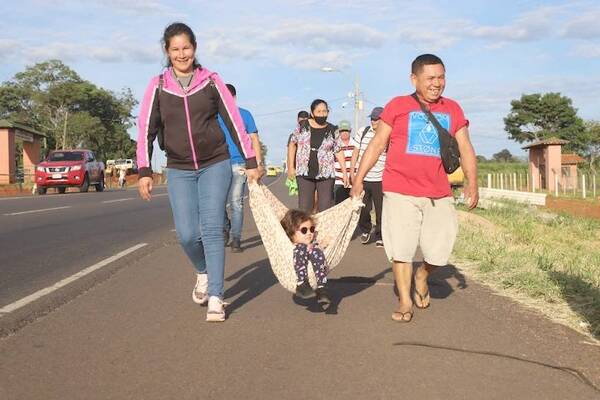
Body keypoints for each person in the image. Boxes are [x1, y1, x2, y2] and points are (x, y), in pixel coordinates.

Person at [136, 22, 260, 323]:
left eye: (186, 48)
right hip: (178, 167)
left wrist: (251, 160)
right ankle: (203, 272)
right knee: (188, 234)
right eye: (175, 49)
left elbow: (234, 121)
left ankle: (217, 295)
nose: (182, 54)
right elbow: (145, 130)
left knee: (212, 228)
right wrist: (144, 169)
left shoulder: (211, 81)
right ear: (167, 51)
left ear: (195, 48)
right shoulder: (158, 86)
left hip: (215, 162)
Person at [351, 54, 478, 323]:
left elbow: (465, 147)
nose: (437, 83)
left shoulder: (452, 109)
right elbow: (377, 143)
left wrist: (472, 181)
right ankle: (405, 301)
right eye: (430, 78)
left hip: (438, 192)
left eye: (441, 77)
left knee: (440, 250)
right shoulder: (398, 105)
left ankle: (423, 275)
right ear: (414, 79)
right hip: (399, 189)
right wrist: (359, 178)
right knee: (401, 249)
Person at [219, 83, 264, 253]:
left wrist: (258, 163)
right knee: (218, 202)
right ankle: (225, 227)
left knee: (236, 202)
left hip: (240, 164)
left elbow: (254, 138)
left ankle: (236, 238)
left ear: (234, 98)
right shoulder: (213, 116)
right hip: (218, 164)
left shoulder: (245, 115)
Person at [287, 99, 348, 212]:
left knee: (325, 208)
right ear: (312, 112)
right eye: (319, 111)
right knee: (305, 208)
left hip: (326, 174)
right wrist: (291, 167)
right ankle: (306, 229)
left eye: (324, 111)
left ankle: (323, 230)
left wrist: (344, 173)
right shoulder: (302, 126)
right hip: (304, 173)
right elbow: (292, 144)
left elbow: (338, 151)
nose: (322, 114)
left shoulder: (333, 130)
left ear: (328, 112)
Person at [280, 209, 331, 309]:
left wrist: (324, 244)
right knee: (301, 248)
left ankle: (321, 287)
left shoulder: (313, 242)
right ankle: (302, 283)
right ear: (291, 233)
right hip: (299, 261)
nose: (309, 233)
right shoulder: (292, 245)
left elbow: (321, 246)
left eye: (311, 229)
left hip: (313, 256)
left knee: (317, 252)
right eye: (304, 230)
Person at [350, 107, 386, 247]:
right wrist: (353, 171)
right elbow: (355, 152)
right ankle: (365, 229)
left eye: (376, 119)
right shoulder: (362, 132)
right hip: (363, 177)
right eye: (372, 118)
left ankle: (380, 235)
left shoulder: (388, 135)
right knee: (364, 208)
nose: (373, 121)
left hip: (380, 178)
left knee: (381, 209)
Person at [333, 120, 355, 204]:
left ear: (350, 131)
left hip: (353, 181)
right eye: (342, 131)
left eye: (347, 131)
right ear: (339, 131)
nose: (344, 133)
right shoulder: (335, 145)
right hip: (339, 181)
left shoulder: (356, 144)